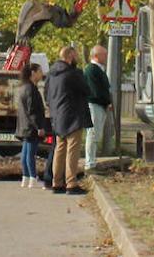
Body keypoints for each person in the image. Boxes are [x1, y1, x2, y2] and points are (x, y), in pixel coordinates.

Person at [44, 44, 92, 195]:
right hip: (73, 116)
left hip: (58, 116)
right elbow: (86, 89)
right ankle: (71, 183)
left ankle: (56, 182)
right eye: (75, 55)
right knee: (72, 150)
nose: (77, 57)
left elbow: (46, 94)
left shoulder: (52, 74)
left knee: (59, 149)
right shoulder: (73, 73)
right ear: (70, 57)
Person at [15, 62, 49, 189]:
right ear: (33, 73)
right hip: (31, 127)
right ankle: (33, 178)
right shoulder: (31, 89)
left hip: (24, 125)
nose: (42, 74)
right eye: (40, 71)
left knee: (25, 153)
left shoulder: (24, 87)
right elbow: (32, 110)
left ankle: (26, 177)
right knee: (30, 153)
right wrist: (39, 127)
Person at [84, 44, 113, 172]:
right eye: (104, 54)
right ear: (96, 56)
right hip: (94, 104)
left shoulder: (99, 69)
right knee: (93, 133)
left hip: (99, 105)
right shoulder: (92, 70)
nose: (106, 56)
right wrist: (106, 102)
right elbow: (96, 91)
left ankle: (92, 160)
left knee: (96, 134)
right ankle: (89, 162)